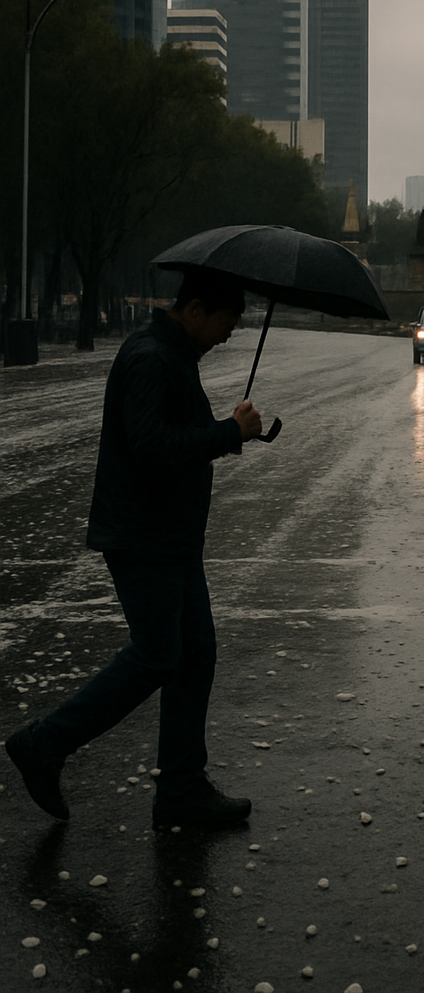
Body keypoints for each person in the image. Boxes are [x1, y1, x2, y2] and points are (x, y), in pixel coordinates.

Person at [4, 268, 262, 829]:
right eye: (225, 321)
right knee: (157, 655)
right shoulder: (152, 357)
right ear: (195, 310)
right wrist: (228, 433)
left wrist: (232, 431)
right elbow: (151, 446)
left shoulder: (172, 355)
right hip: (145, 535)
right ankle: (45, 742)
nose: (229, 334)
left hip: (169, 536)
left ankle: (182, 790)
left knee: (194, 653)